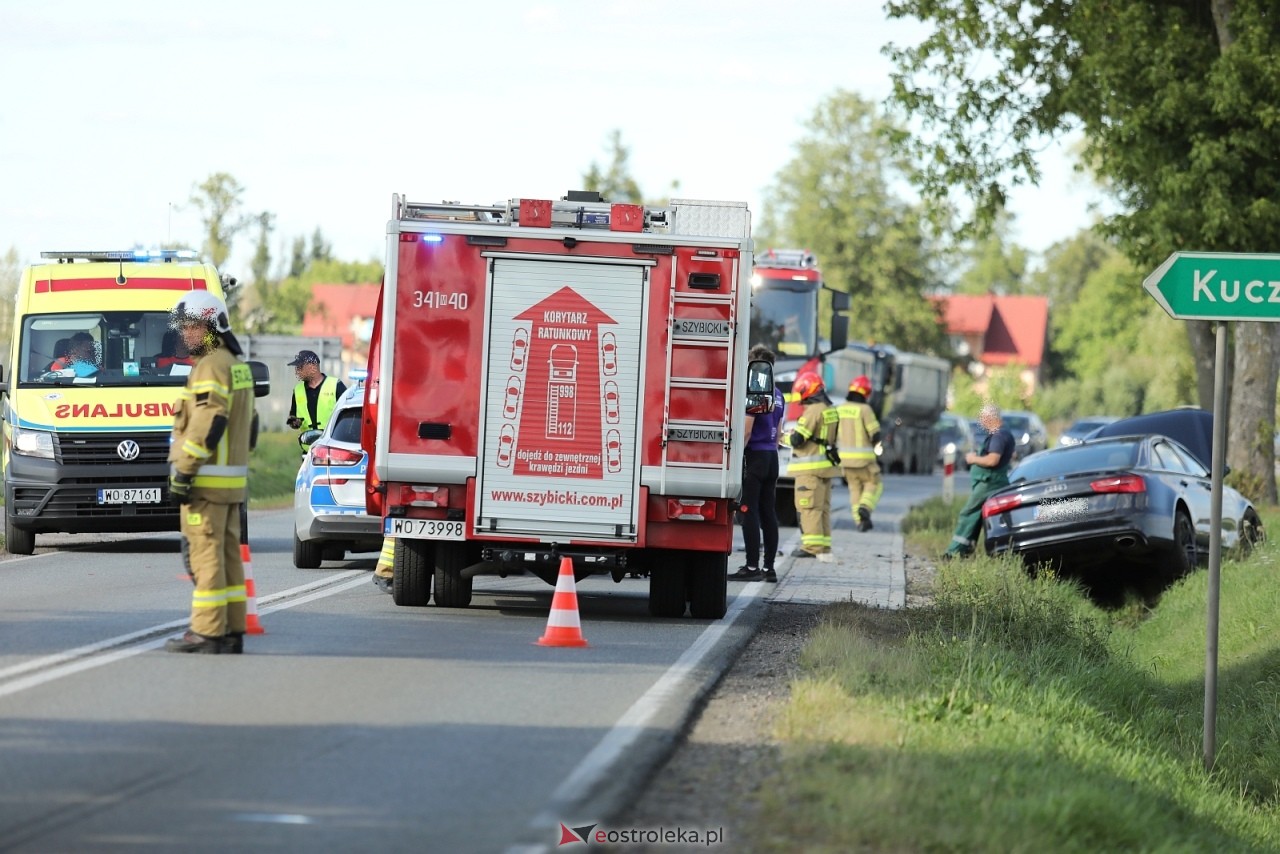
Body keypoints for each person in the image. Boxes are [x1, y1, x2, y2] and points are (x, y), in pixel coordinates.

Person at [163, 291, 255, 654]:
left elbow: (207, 423)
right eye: (184, 327)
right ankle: (231, 629)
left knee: (205, 557)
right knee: (228, 556)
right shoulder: (236, 365)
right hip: (230, 484)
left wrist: (183, 472)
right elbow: (250, 426)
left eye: (192, 327)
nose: (186, 334)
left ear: (211, 325)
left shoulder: (209, 366)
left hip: (205, 482)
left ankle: (206, 631)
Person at [730, 345, 786, 583]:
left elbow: (747, 430)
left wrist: (735, 457)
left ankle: (751, 566)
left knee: (748, 510)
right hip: (772, 457)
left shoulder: (755, 391)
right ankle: (769, 568)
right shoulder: (778, 394)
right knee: (768, 513)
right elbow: (780, 432)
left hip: (755, 457)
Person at [943, 402, 1015, 559]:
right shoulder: (1004, 434)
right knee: (977, 517)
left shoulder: (998, 436)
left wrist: (973, 459)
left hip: (989, 482)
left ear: (991, 418)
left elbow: (993, 460)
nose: (982, 422)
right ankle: (966, 549)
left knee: (968, 513)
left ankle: (954, 552)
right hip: (993, 481)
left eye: (983, 418)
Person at [785, 371, 840, 561]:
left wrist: (781, 437)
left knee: (808, 508)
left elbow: (797, 439)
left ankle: (811, 547)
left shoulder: (813, 411)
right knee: (822, 509)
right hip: (825, 468)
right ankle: (823, 546)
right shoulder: (829, 409)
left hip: (809, 469)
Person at [836, 374, 883, 532]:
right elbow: (875, 434)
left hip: (845, 461)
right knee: (874, 484)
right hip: (864, 460)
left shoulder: (840, 409)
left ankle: (860, 522)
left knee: (854, 489)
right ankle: (865, 507)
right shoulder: (865, 409)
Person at [286, 349, 346, 436]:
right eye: (297, 368)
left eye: (300, 367)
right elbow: (293, 417)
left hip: (331, 440)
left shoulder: (336, 385)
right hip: (308, 442)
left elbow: (347, 414)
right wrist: (294, 423)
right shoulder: (298, 390)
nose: (297, 371)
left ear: (313, 367)